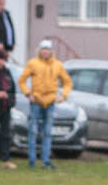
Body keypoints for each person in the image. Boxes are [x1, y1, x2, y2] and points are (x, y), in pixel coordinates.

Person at [18, 41, 71, 169]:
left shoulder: (58, 65)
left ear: (51, 51)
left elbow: (67, 82)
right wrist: (28, 94)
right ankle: (32, 160)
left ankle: (45, 160)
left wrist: (63, 96)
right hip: (36, 101)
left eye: (47, 49)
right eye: (43, 49)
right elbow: (22, 80)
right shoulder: (33, 63)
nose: (45, 51)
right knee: (33, 131)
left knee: (47, 132)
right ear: (39, 50)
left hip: (51, 102)